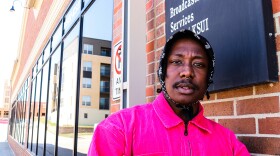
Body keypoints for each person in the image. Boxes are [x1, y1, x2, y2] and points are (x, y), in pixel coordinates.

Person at [88, 29, 250, 155]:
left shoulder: (228, 142)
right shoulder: (119, 128)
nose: (187, 72)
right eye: (177, 62)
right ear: (163, 72)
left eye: (199, 64)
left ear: (208, 78)